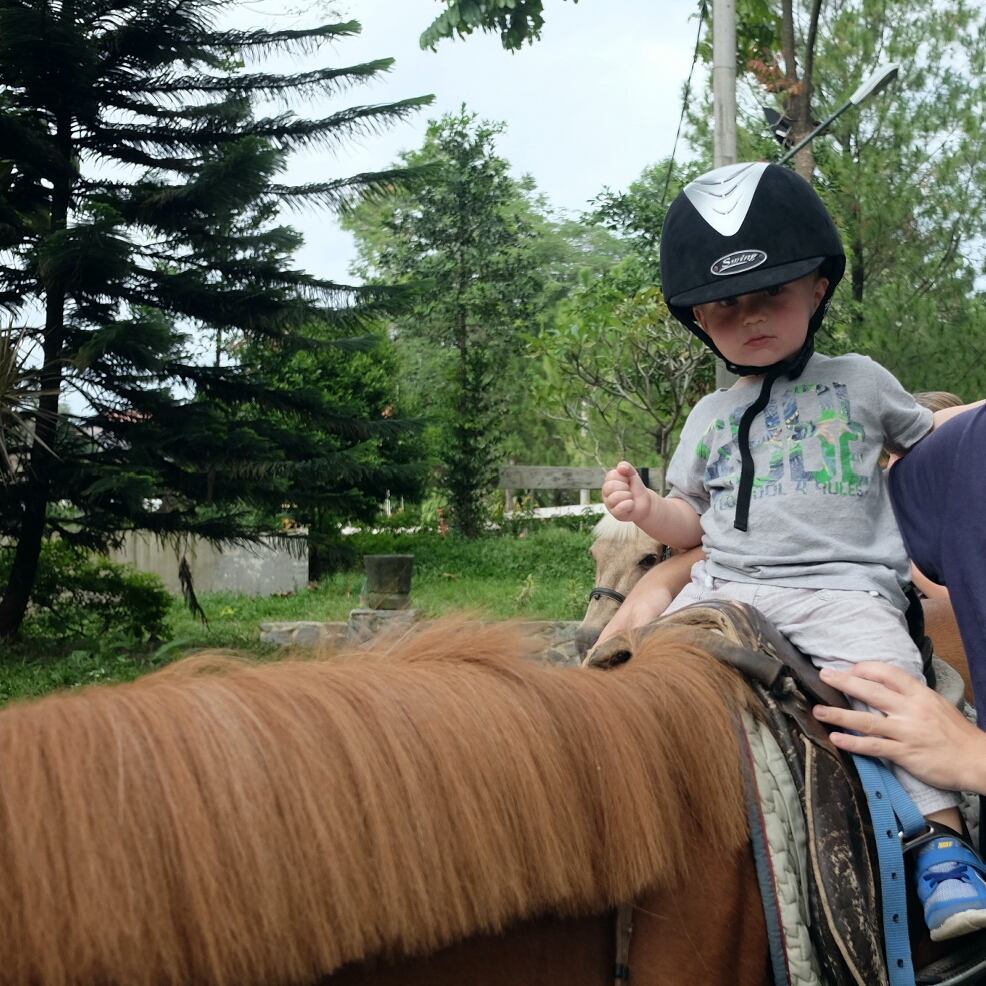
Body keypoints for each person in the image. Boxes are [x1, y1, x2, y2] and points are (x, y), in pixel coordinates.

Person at [602, 161, 986, 940]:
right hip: (728, 584)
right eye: (724, 308)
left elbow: (924, 442)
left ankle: (943, 848)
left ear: (816, 289)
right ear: (700, 323)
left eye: (771, 294)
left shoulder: (863, 381)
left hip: (843, 589)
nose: (750, 319)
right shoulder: (709, 416)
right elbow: (691, 519)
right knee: (637, 675)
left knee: (888, 689)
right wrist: (646, 509)